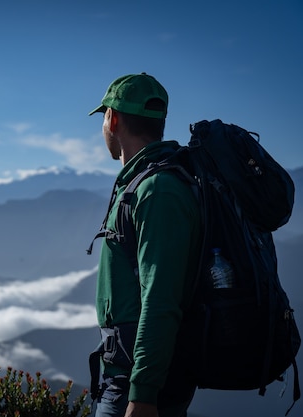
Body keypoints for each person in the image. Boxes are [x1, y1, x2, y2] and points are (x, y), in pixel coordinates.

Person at [88, 73, 202, 417]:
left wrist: (143, 395)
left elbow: (160, 298)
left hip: (136, 390)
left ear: (113, 118)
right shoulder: (144, 184)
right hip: (127, 378)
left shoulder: (157, 191)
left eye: (104, 118)